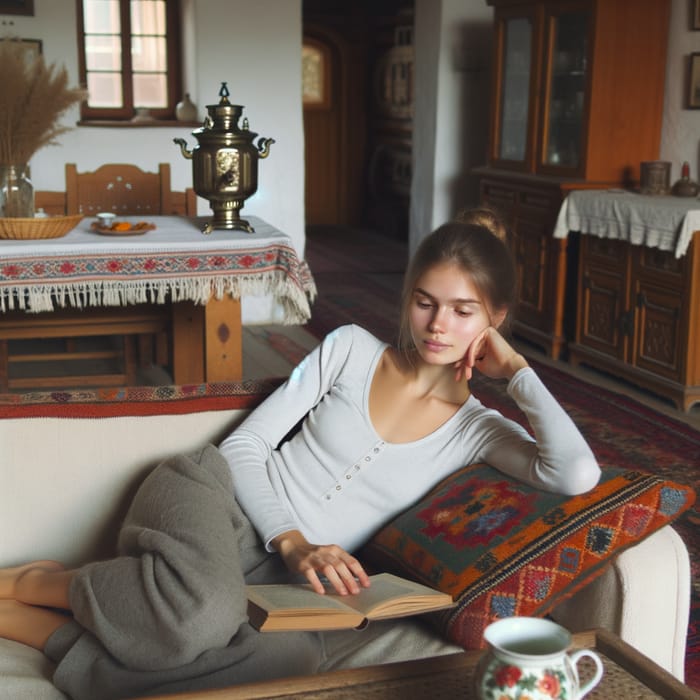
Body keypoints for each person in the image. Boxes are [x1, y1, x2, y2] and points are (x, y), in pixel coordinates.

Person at [0, 213, 600, 699]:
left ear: (493, 322)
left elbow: (574, 473)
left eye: (463, 312)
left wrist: (518, 372)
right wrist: (291, 538)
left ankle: (54, 632)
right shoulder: (351, 351)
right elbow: (243, 446)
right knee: (203, 615)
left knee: (281, 664)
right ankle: (35, 587)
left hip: (291, 589)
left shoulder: (478, 431)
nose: (438, 325)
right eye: (425, 302)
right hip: (211, 499)